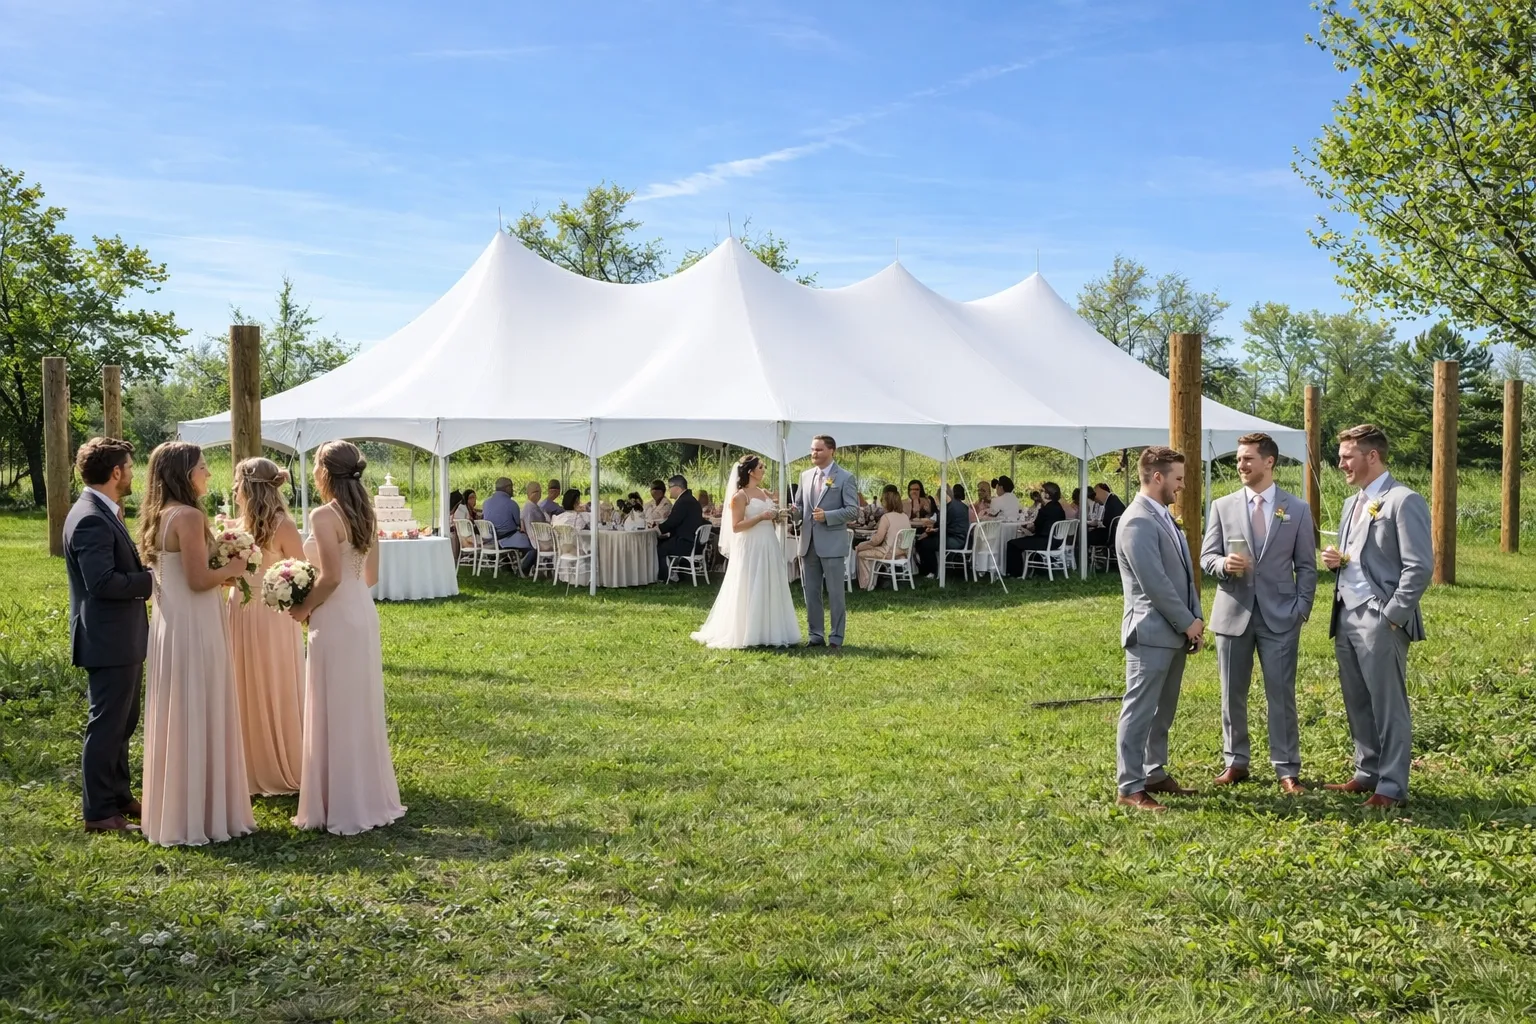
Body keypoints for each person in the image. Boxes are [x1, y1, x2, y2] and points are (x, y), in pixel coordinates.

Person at [137, 441, 256, 846]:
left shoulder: (160, 514)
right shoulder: (188, 516)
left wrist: (221, 572)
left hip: (171, 623)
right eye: (203, 466)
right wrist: (235, 566)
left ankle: (180, 809)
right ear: (184, 473)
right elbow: (197, 579)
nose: (208, 473)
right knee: (199, 704)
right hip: (194, 624)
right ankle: (202, 813)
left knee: (181, 709)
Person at [290, 440, 407, 835]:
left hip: (335, 615)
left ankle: (338, 802)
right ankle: (364, 795)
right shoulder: (367, 513)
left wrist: (303, 607)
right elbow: (370, 576)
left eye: (316, 465)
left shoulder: (324, 515)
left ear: (325, 472)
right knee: (357, 704)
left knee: (333, 703)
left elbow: (330, 576)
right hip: (361, 611)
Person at [1320, 424, 1431, 809]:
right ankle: (1367, 772)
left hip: (1380, 617)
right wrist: (1338, 561)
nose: (1340, 464)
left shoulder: (1404, 500)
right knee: (1357, 699)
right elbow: (1362, 556)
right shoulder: (1352, 503)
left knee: (1388, 705)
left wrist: (1393, 615)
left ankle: (1392, 786)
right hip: (1345, 613)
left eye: (1347, 457)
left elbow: (1419, 566)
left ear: (1372, 456)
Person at [1199, 433, 1317, 795]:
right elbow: (1206, 557)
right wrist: (1223, 564)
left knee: (1281, 694)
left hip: (1281, 616)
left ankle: (1287, 768)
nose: (1241, 465)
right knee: (1231, 693)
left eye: (1248, 458)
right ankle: (1236, 762)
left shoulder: (1297, 509)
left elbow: (1306, 566)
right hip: (1232, 613)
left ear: (1269, 462)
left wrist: (1301, 609)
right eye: (1238, 459)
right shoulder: (1222, 506)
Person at [64, 437, 154, 834]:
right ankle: (99, 812)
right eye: (130, 467)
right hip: (107, 639)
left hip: (118, 638)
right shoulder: (91, 518)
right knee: (106, 727)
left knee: (122, 722)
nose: (133, 474)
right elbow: (101, 582)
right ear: (116, 472)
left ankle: (119, 796)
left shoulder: (100, 510)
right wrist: (151, 580)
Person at [1114, 446, 1204, 812]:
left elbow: (1183, 574)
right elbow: (1155, 583)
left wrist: (1195, 620)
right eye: (1178, 478)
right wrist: (1188, 622)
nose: (1182, 485)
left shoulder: (1163, 515)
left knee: (1161, 711)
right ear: (1157, 477)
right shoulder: (1136, 521)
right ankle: (1129, 785)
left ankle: (1153, 772)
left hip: (1174, 632)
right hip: (1150, 631)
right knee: (1139, 711)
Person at [229, 457, 307, 797]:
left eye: (237, 483)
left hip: (270, 611)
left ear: (248, 487)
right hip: (243, 609)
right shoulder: (236, 526)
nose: (233, 489)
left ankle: (275, 761)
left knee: (272, 680)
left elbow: (302, 573)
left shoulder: (281, 526)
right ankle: (247, 762)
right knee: (245, 681)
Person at [692, 455, 800, 648]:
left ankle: (770, 629)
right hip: (751, 544)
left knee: (769, 582)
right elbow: (736, 526)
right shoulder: (740, 496)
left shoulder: (763, 492)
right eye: (761, 467)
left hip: (769, 542)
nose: (764, 470)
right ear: (750, 471)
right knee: (749, 583)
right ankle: (747, 630)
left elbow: (770, 517)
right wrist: (760, 517)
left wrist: (778, 515)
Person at [793, 435, 859, 648]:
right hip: (808, 543)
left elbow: (853, 511)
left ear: (832, 451)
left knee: (835, 594)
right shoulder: (805, 476)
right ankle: (815, 635)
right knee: (811, 592)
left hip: (832, 544)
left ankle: (836, 637)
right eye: (812, 449)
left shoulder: (845, 477)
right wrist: (792, 512)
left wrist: (828, 516)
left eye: (819, 450)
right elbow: (800, 507)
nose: (814, 453)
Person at [1005, 481, 1066, 577]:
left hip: (1045, 541)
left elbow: (1034, 528)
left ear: (1047, 494)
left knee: (1012, 544)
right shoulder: (1059, 507)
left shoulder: (1045, 510)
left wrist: (1025, 527)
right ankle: (1038, 570)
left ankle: (1015, 573)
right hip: (1057, 541)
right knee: (1026, 540)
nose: (1040, 493)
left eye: (1042, 491)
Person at [855, 488, 912, 590]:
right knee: (865, 549)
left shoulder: (886, 517)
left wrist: (863, 545)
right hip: (903, 551)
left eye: (883, 501)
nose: (882, 504)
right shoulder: (904, 516)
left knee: (861, 553)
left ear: (888, 503)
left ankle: (867, 584)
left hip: (888, 552)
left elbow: (877, 540)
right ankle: (876, 578)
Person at [656, 475, 704, 580]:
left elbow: (672, 522)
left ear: (677, 488)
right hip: (694, 542)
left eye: (670, 487)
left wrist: (658, 529)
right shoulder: (692, 500)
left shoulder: (683, 502)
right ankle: (674, 572)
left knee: (660, 548)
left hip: (685, 543)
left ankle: (665, 576)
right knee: (663, 542)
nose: (669, 490)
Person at [481, 477, 534, 570]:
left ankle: (507, 565)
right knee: (533, 546)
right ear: (507, 488)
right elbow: (517, 523)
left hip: (490, 539)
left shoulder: (486, 503)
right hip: (507, 539)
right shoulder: (511, 504)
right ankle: (522, 570)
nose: (513, 489)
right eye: (511, 487)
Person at [905, 480, 940, 578]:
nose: (914, 492)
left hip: (928, 529)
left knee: (923, 542)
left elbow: (931, 516)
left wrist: (918, 504)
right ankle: (916, 566)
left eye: (916, 489)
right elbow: (907, 517)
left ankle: (929, 569)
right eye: (911, 489)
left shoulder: (927, 500)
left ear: (921, 490)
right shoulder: (907, 503)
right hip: (913, 528)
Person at [520, 481, 551, 570]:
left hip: (535, 538)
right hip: (540, 540)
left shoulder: (529, 507)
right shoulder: (532, 509)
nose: (540, 494)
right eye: (539, 492)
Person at [1087, 483, 1127, 550]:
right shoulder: (1113, 500)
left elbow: (1106, 522)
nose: (1095, 499)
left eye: (1095, 495)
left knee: (1085, 536)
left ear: (1099, 493)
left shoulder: (1111, 503)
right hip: (1116, 535)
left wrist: (1097, 524)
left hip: (1110, 536)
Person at [945, 482, 971, 560]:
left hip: (956, 540)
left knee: (928, 543)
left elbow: (944, 524)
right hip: (966, 540)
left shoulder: (950, 506)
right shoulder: (965, 507)